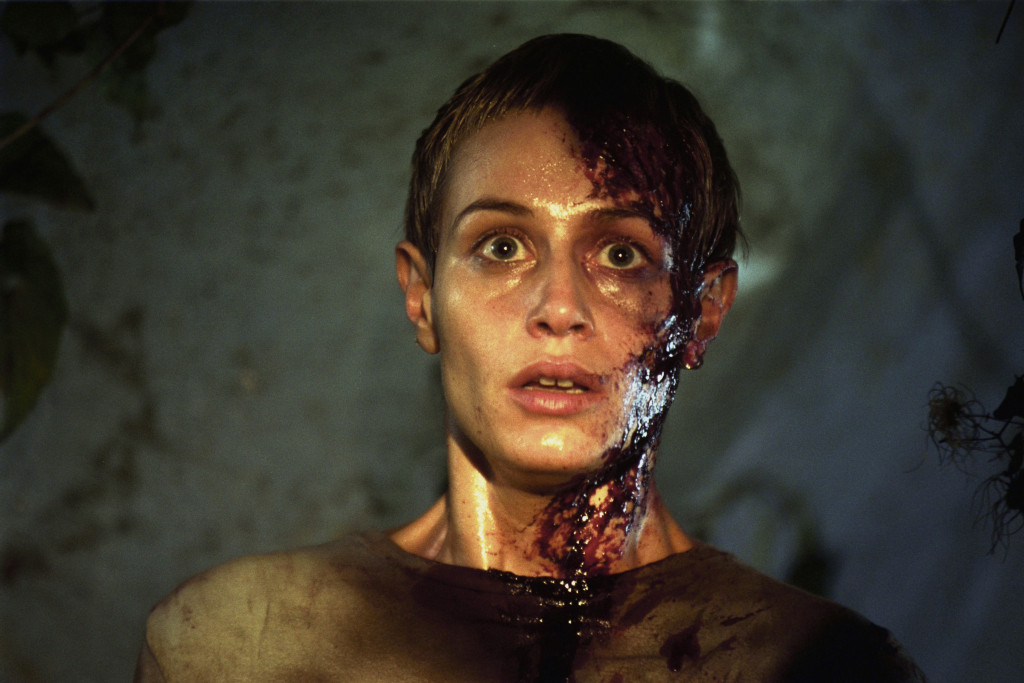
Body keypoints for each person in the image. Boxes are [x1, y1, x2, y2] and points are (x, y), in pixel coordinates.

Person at [134, 34, 925, 682]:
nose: (558, 306)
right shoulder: (236, 645)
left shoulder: (818, 668)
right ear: (421, 296)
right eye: (502, 246)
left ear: (701, 311)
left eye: (620, 254)